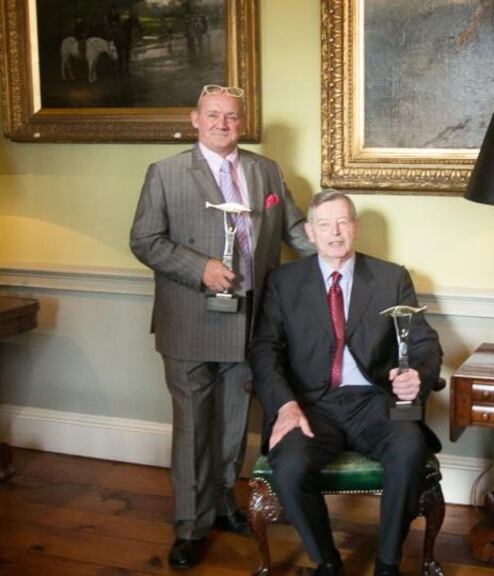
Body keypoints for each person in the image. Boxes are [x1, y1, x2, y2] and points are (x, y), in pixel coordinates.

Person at [129, 84, 314, 569]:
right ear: (195, 119)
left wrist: (338, 251)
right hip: (190, 320)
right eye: (213, 115)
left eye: (231, 117)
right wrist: (200, 268)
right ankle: (190, 526)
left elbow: (294, 230)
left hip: (250, 320)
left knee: (235, 425)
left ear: (242, 122)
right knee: (193, 427)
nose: (222, 124)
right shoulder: (165, 174)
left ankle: (224, 506)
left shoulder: (265, 170)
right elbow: (144, 240)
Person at [249, 190, 443, 576]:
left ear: (354, 227)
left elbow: (424, 342)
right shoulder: (284, 282)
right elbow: (264, 350)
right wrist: (286, 406)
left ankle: (388, 563)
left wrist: (416, 376)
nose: (334, 233)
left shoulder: (391, 277)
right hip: (311, 406)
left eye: (342, 223)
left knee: (408, 450)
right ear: (310, 231)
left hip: (374, 402)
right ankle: (327, 562)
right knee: (288, 467)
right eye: (324, 225)